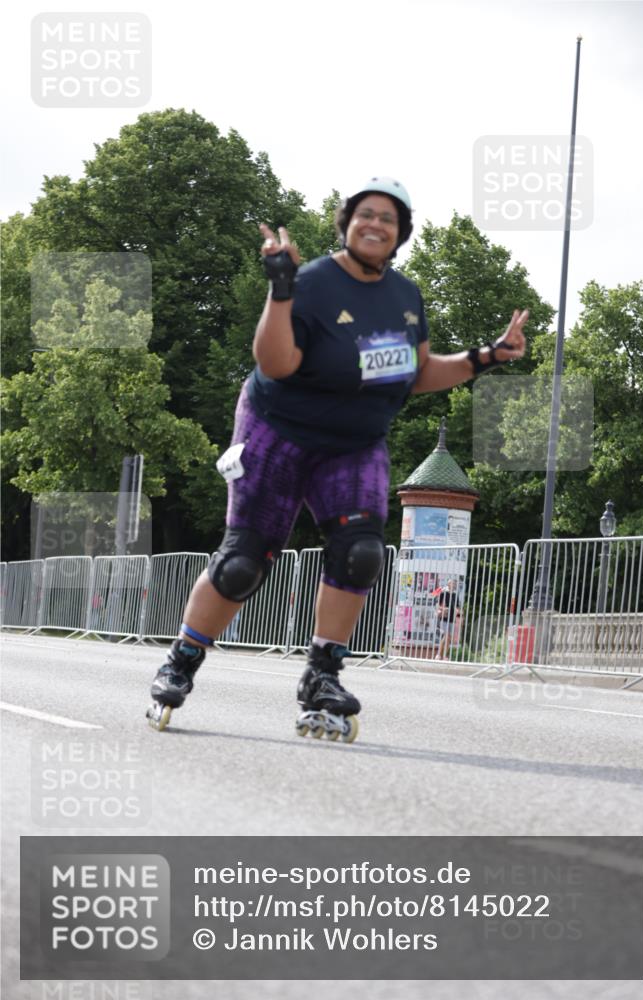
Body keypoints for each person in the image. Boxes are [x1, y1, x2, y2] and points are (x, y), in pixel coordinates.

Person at [147, 176, 529, 738]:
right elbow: (275, 363)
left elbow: (418, 371)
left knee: (360, 553)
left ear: (400, 234)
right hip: (278, 429)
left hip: (354, 442)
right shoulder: (313, 282)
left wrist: (488, 355)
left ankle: (322, 674)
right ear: (347, 223)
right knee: (244, 562)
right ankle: (181, 660)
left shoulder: (405, 297)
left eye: (388, 219)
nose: (376, 224)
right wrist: (281, 290)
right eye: (366, 214)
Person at [435, 579, 460, 660]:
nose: (454, 585)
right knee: (446, 635)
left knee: (449, 638)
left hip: (452, 618)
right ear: (449, 584)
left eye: (455, 583)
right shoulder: (443, 593)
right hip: (444, 617)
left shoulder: (455, 595)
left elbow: (457, 607)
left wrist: (457, 611)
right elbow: (437, 605)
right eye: (453, 583)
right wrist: (444, 609)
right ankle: (439, 654)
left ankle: (445, 656)